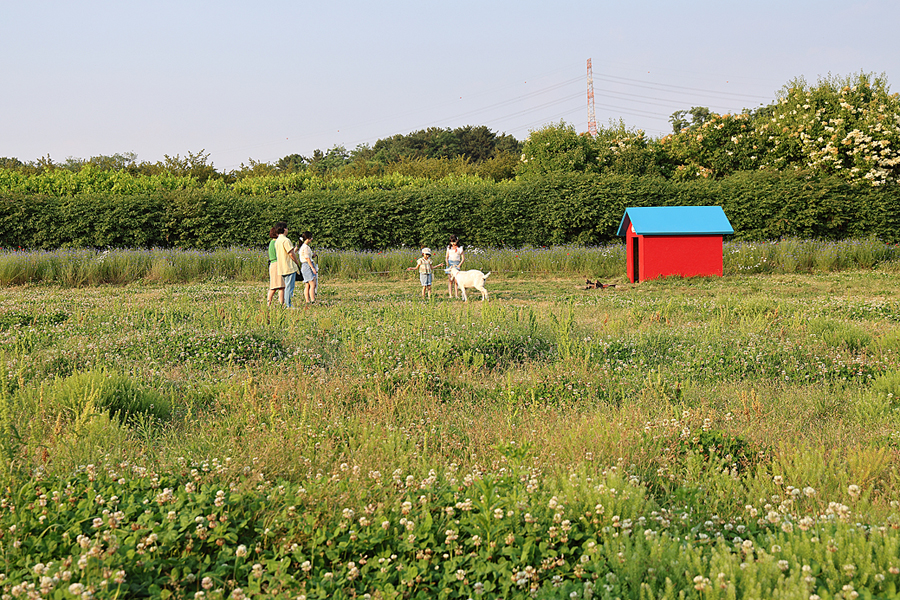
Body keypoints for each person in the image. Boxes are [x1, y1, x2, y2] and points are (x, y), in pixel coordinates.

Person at [275, 225, 301, 308]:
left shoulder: (277, 240)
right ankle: (288, 305)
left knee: (287, 286)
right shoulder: (286, 240)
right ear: (284, 229)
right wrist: (297, 262)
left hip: (281, 267)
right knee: (289, 287)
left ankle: (286, 304)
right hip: (289, 266)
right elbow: (291, 253)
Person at [266, 222, 286, 306]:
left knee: (273, 286)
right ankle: (281, 304)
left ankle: (268, 303)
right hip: (278, 264)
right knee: (281, 287)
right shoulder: (276, 243)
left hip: (273, 264)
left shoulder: (271, 243)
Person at [298, 231, 318, 304]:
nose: (312, 239)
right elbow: (307, 258)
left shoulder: (303, 247)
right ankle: (312, 300)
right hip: (307, 266)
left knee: (308, 285)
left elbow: (307, 257)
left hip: (304, 266)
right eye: (311, 237)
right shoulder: (306, 247)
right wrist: (312, 268)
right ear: (308, 238)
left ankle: (307, 300)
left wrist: (313, 256)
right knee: (312, 284)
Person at [445, 234, 465, 298]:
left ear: (457, 241)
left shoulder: (460, 248)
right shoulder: (449, 248)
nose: (453, 243)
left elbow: (463, 258)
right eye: (451, 242)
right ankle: (450, 294)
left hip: (456, 264)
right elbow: (447, 256)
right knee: (450, 280)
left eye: (454, 242)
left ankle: (456, 295)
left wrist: (459, 265)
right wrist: (447, 262)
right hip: (450, 264)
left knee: (456, 281)